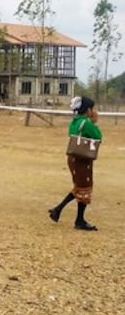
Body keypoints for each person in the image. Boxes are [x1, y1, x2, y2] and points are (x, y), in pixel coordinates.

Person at [48, 96, 102, 231]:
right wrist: (94, 122)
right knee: (85, 187)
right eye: (92, 108)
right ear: (88, 109)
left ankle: (58, 210)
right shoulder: (86, 123)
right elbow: (98, 136)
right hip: (82, 159)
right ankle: (79, 220)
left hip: (73, 158)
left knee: (79, 186)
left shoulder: (74, 122)